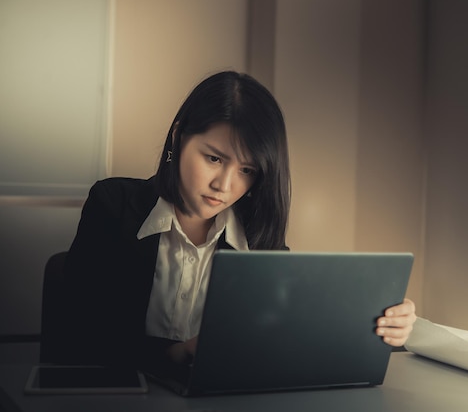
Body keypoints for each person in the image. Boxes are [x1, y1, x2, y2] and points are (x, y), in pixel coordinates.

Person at [58, 71, 417, 369]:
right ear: (179, 136)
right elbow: (78, 340)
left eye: (246, 170)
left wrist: (383, 326)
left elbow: (290, 336)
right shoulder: (113, 205)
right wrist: (174, 352)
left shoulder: (259, 239)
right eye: (214, 159)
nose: (224, 186)